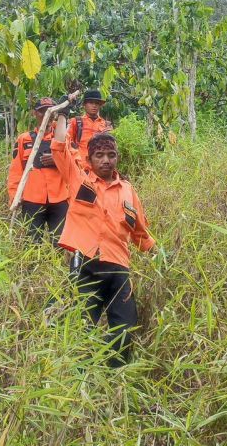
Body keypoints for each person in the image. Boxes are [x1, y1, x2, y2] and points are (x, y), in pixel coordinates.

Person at [50, 102, 154, 367]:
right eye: (100, 156)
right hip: (85, 264)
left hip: (119, 267)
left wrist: (160, 255)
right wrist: (62, 114)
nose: (106, 160)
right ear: (90, 159)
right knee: (81, 327)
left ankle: (113, 377)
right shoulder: (79, 180)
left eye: (111, 155)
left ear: (117, 157)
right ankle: (79, 379)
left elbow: (141, 233)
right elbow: (60, 148)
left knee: (126, 328)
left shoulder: (128, 191)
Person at [7, 97, 72, 240]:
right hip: (32, 198)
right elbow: (16, 171)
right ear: (34, 113)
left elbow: (75, 164)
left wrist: (57, 160)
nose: (46, 115)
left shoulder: (63, 137)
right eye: (42, 111)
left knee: (60, 242)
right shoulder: (24, 139)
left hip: (60, 198)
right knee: (31, 241)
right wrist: (14, 196)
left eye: (50, 111)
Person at [70, 89, 113, 154]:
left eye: (97, 103)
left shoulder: (106, 124)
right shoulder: (76, 122)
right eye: (91, 103)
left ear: (100, 105)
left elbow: (110, 146)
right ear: (84, 104)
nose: (94, 106)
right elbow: (68, 142)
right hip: (79, 162)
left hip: (98, 162)